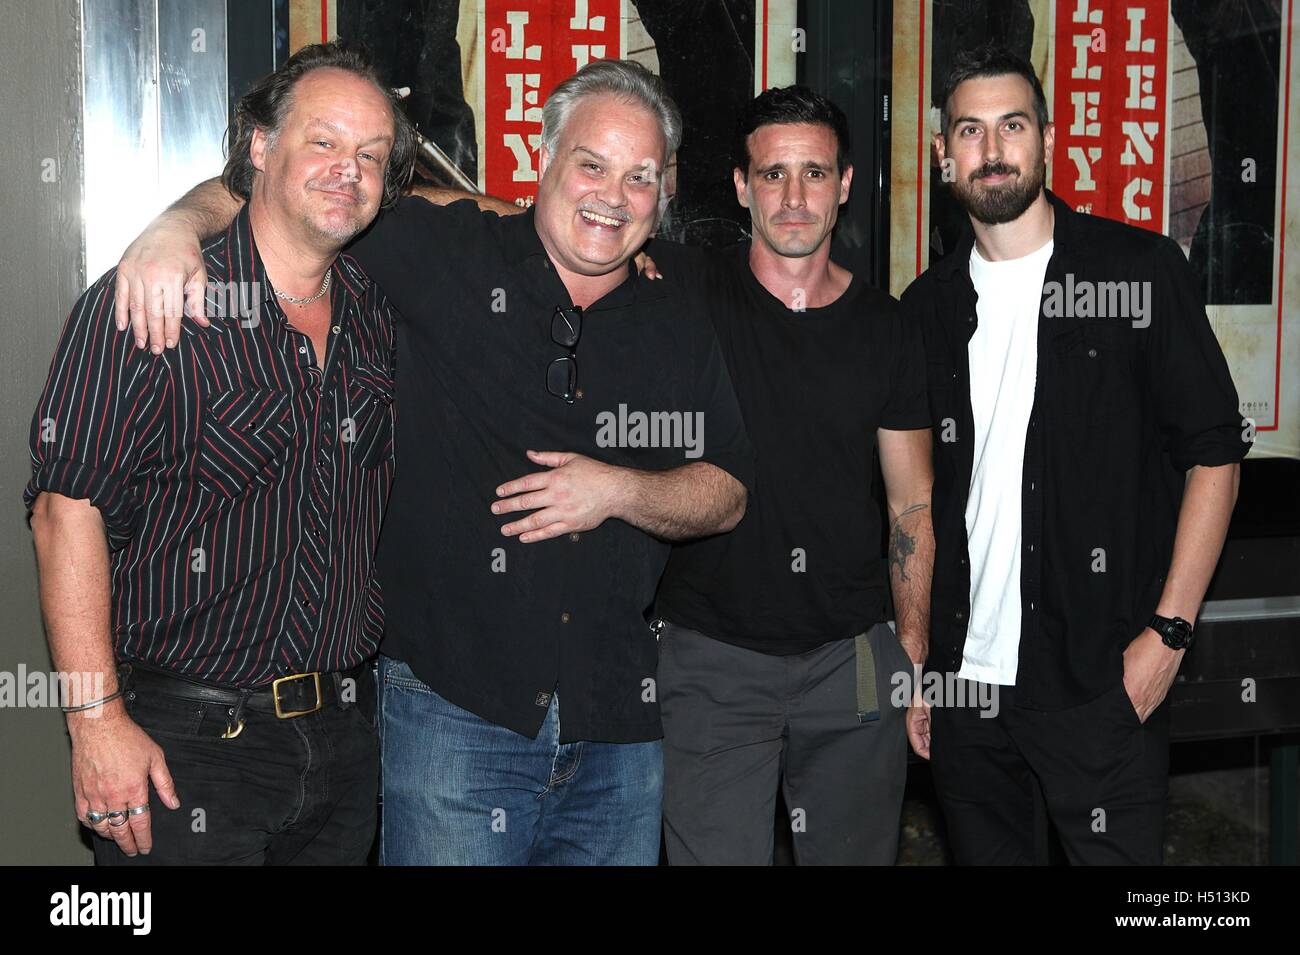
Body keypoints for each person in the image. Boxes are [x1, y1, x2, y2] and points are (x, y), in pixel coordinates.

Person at [113, 58, 754, 865]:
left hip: (619, 728)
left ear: (662, 195)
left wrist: (620, 490)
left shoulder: (676, 315)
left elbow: (727, 491)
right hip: (453, 718)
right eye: (591, 164)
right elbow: (279, 188)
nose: (611, 195)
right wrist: (173, 228)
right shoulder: (443, 254)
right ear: (545, 162)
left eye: (639, 177)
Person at [26, 40, 414, 864]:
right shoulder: (146, 302)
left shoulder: (377, 316)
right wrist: (95, 724)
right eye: (324, 141)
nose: (348, 169)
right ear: (262, 148)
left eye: (371, 155)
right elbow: (65, 514)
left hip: (344, 743)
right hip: (185, 746)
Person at [900, 45, 1249, 864]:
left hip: (1102, 682)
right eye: (971, 130)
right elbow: (917, 499)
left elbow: (1215, 457)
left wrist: (1167, 636)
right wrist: (920, 664)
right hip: (967, 692)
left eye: (1012, 125)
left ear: (1048, 141)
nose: (992, 149)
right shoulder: (924, 310)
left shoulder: (1139, 272)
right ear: (943, 153)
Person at [646, 86, 934, 865]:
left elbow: (911, 505)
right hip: (713, 656)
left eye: (815, 172)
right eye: (774, 174)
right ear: (741, 186)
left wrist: (908, 656)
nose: (795, 195)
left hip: (857, 655)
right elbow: (565, 227)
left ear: (845, 184)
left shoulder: (887, 326)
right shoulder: (686, 290)